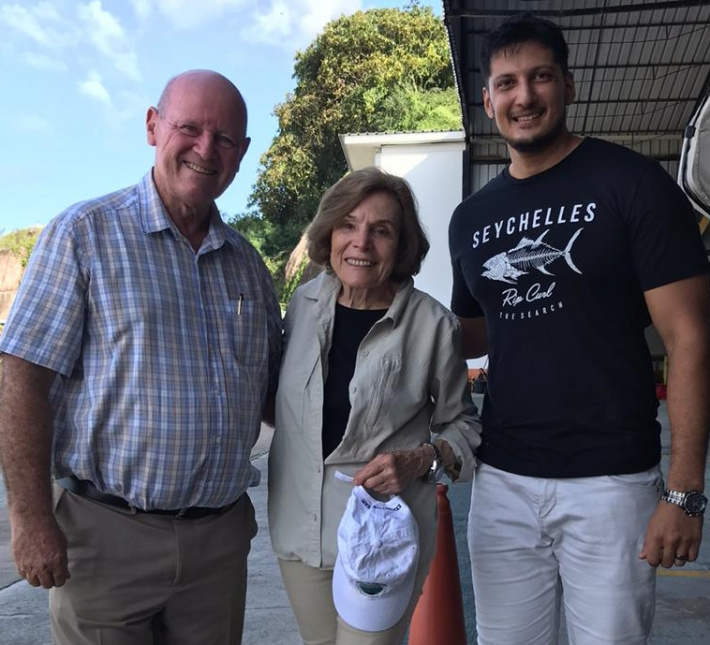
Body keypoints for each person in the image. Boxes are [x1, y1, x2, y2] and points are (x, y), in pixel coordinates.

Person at [448, 13, 710, 645]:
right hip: (504, 480)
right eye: (506, 83)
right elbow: (470, 337)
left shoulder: (633, 184)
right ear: (488, 100)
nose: (524, 96)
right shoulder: (470, 220)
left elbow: (691, 339)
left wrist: (684, 494)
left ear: (568, 85)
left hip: (612, 484)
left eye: (540, 77)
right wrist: (376, 315)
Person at [0, 70, 282, 645]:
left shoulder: (249, 267)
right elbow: (21, 376)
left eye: (225, 139)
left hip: (217, 545)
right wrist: (30, 520)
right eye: (190, 128)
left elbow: (280, 395)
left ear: (242, 153)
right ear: (154, 127)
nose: (206, 149)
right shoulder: (83, 234)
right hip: (105, 542)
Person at [268, 167, 481, 645]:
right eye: (348, 225)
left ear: (401, 246)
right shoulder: (301, 306)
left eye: (380, 230)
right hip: (299, 526)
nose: (360, 242)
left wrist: (420, 459)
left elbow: (462, 424)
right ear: (330, 233)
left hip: (381, 537)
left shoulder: (431, 325)